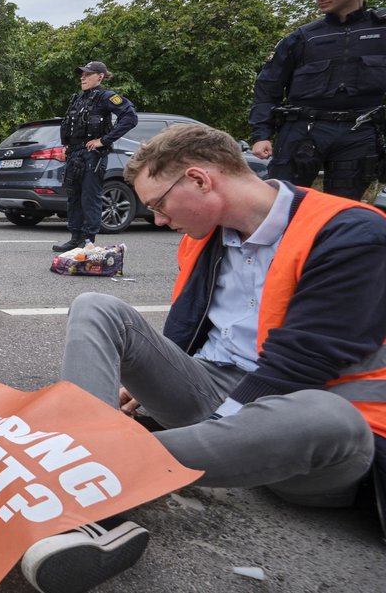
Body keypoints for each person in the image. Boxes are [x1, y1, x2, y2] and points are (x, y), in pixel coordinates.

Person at [19, 123, 386, 593]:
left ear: (199, 179)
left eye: (158, 205)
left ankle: (87, 476)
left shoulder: (352, 232)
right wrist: (155, 383)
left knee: (330, 417)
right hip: (217, 397)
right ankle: (83, 460)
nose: (157, 220)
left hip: (298, 429)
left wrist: (217, 425)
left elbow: (303, 365)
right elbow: (187, 333)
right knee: (97, 305)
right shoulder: (205, 235)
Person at [249, 0, 386, 201]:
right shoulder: (303, 37)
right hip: (304, 130)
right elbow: (268, 86)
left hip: (360, 131)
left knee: (343, 208)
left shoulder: (381, 31)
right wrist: (261, 134)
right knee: (280, 202)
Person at [52, 61, 137, 252]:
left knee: (90, 197)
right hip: (74, 154)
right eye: (82, 74)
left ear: (100, 76)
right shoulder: (78, 98)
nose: (82, 77)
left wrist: (104, 140)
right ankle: (75, 238)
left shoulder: (106, 97)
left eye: (88, 74)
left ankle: (88, 240)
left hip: (92, 155)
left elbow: (130, 117)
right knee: (74, 197)